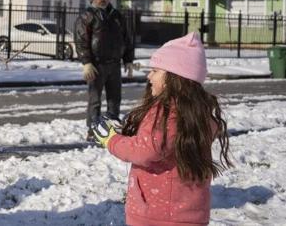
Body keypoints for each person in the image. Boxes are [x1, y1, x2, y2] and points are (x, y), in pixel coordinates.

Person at [92, 32, 231, 226]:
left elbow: (145, 151)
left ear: (175, 77)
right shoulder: (197, 112)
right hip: (191, 213)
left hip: (158, 214)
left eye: (155, 71)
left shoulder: (167, 113)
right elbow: (160, 143)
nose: (149, 76)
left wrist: (112, 140)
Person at [74, 0, 134, 141]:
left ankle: (112, 127)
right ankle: (93, 130)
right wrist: (86, 62)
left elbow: (126, 39)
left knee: (115, 99)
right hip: (96, 65)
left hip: (114, 65)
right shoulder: (87, 16)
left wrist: (128, 60)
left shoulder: (117, 16)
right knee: (95, 100)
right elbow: (81, 40)